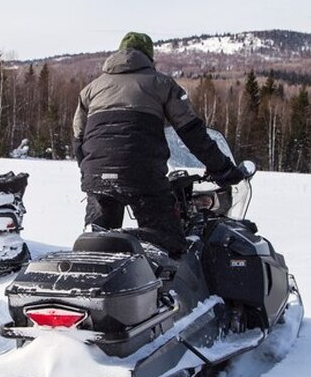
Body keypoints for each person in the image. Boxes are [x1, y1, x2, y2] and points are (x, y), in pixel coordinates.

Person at [72, 31, 243, 257]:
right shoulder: (162, 84)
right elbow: (192, 132)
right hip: (142, 175)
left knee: (96, 246)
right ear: (149, 57)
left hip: (96, 176)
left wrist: (92, 172)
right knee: (168, 243)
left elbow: (78, 138)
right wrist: (222, 168)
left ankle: (94, 284)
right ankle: (160, 284)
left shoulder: (91, 90)